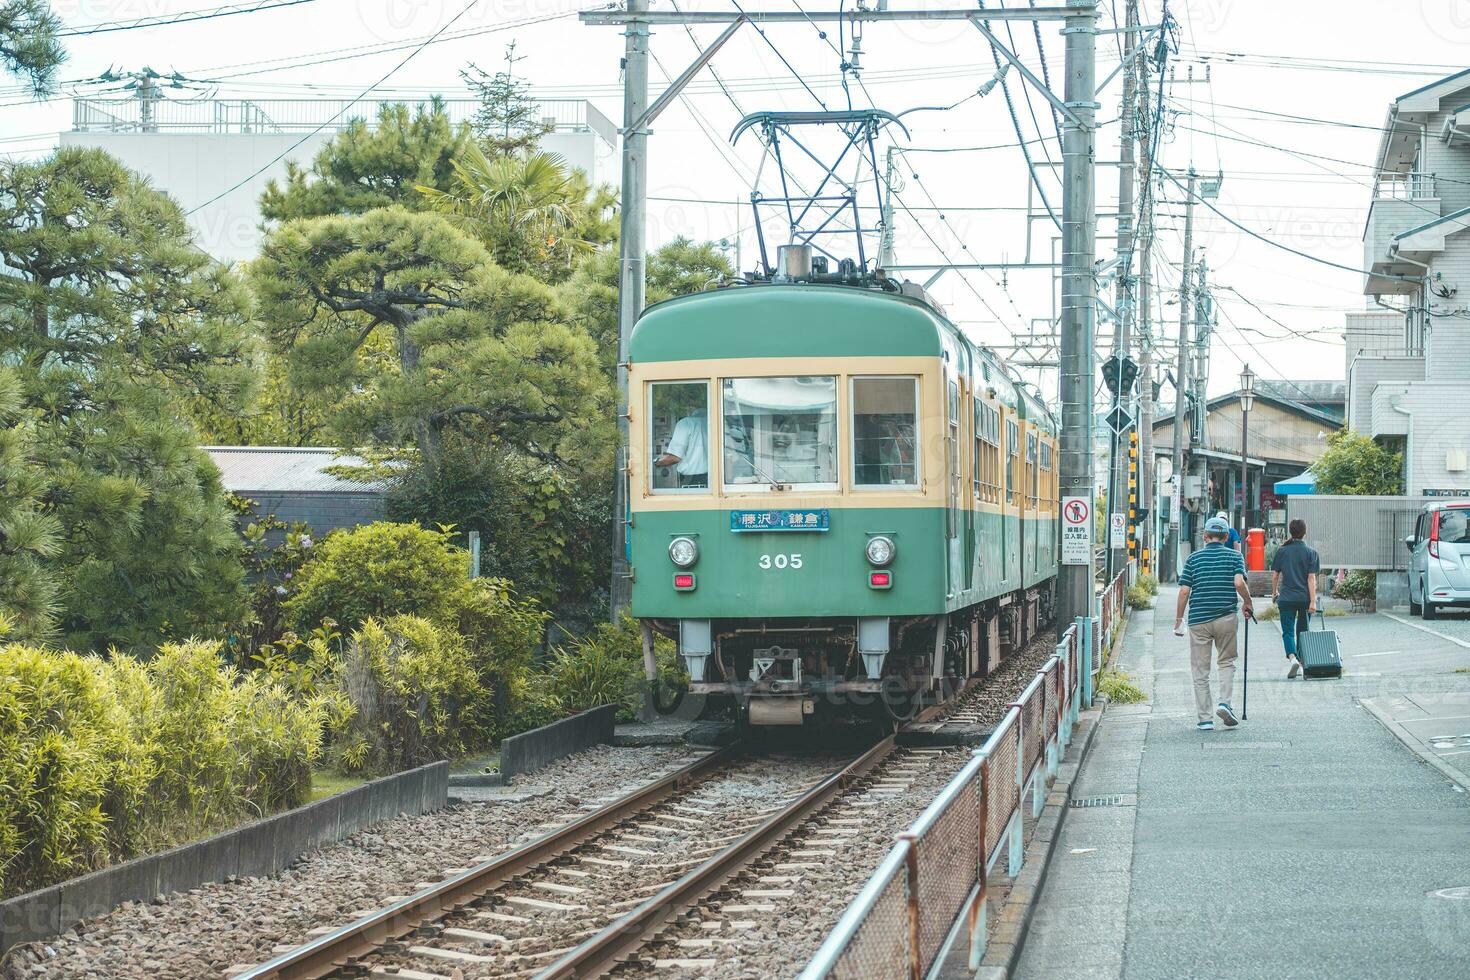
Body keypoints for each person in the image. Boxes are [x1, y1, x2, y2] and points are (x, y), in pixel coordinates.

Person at [1175, 515, 1254, 731]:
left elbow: (1184, 591)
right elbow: (1239, 582)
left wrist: (1178, 620)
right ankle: (1225, 704)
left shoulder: (1193, 559)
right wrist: (1247, 602)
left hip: (1199, 620)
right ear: (1226, 536)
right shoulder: (1235, 557)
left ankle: (1205, 719)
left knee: (1200, 671)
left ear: (1205, 536)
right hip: (1226, 617)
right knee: (1226, 662)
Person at [1271, 518, 1320, 678]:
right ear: (1305, 533)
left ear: (1290, 532)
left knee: (1287, 632)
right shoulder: (1311, 553)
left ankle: (1293, 658)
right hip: (1305, 599)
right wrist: (1313, 601)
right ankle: (1301, 662)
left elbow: (1275, 575)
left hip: (1286, 598)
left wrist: (1274, 592)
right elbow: (1311, 578)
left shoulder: (1282, 551)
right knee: (1303, 632)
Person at [655, 412, 708, 488]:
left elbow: (675, 458)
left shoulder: (685, 423)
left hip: (692, 481)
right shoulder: (715, 422)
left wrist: (656, 462)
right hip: (712, 479)